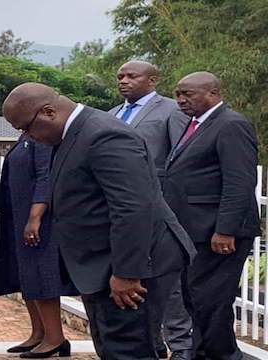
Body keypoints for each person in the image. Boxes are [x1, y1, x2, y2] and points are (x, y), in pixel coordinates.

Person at [2, 82, 196, 360]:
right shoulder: (72, 134)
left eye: (25, 128)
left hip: (134, 269)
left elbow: (133, 208)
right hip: (103, 267)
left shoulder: (104, 135)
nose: (27, 137)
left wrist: (127, 273)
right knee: (116, 347)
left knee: (127, 350)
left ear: (48, 112)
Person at [164, 72, 260, 360]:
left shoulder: (231, 125)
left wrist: (226, 229)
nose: (180, 100)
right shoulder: (196, 124)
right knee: (197, 300)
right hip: (194, 231)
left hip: (217, 234)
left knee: (211, 303)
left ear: (213, 93)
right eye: (178, 94)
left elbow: (240, 182)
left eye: (188, 94)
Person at [109, 60, 191, 359]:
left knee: (169, 285)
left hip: (162, 207)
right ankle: (152, 343)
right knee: (139, 281)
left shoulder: (171, 110)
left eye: (132, 76)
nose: (124, 81)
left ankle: (181, 346)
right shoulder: (111, 114)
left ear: (152, 80)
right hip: (125, 212)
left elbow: (181, 158)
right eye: (120, 76)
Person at [0, 133, 78, 358]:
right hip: (17, 216)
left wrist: (35, 217)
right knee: (27, 275)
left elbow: (44, 177)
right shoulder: (25, 137)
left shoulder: (43, 140)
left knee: (42, 276)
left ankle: (55, 337)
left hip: (39, 221)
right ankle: (38, 333)